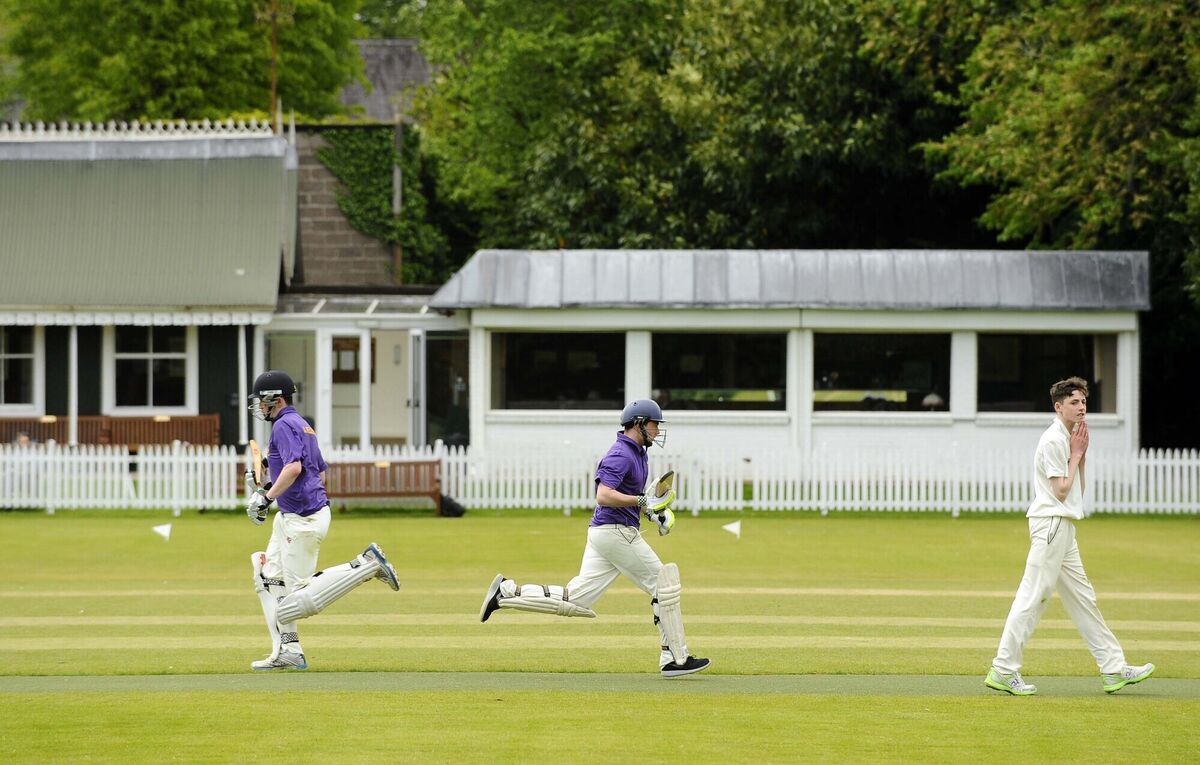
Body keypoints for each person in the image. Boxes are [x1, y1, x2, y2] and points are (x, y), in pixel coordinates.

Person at [479, 399, 711, 678]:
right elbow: (604, 495)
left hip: (606, 532)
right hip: (615, 532)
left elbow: (632, 498)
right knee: (664, 585)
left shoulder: (639, 454)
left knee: (576, 599)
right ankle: (675, 659)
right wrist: (642, 501)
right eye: (654, 424)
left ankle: (505, 593)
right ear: (638, 424)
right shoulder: (621, 454)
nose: (658, 431)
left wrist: (652, 513)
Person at [985, 376, 1154, 695]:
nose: (1081, 407)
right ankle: (1003, 669)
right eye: (1074, 402)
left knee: (1083, 599)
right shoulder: (1054, 440)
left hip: (1064, 526)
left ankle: (1113, 668)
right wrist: (1076, 453)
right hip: (1051, 524)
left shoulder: (1069, 438)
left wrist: (1081, 454)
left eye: (1084, 402)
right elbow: (1060, 491)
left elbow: (1077, 490)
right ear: (1058, 406)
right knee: (1034, 596)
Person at [245, 369, 401, 671]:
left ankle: (366, 565)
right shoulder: (302, 425)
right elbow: (317, 472)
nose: (260, 407)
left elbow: (293, 469)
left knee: (295, 600)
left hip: (302, 518)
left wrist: (266, 498)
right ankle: (290, 650)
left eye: (262, 402)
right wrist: (268, 483)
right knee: (267, 577)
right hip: (298, 514)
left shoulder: (283, 425)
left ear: (275, 399)